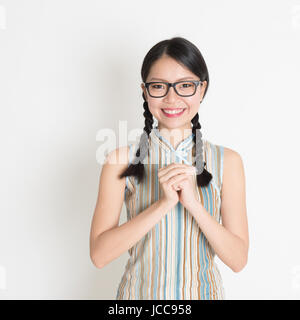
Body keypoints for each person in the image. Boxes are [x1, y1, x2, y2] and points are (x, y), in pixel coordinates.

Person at [89, 37, 249, 300]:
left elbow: (238, 259)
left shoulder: (227, 161)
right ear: (144, 91)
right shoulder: (120, 160)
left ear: (202, 88)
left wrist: (194, 205)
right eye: (159, 86)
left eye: (185, 85)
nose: (171, 98)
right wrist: (162, 204)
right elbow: (99, 255)